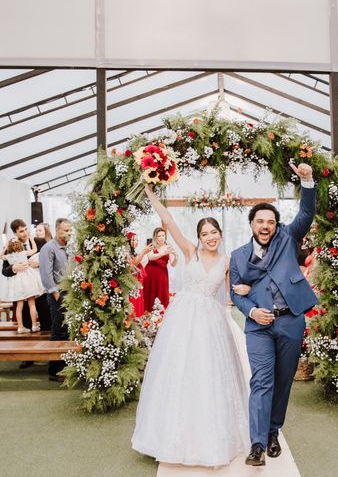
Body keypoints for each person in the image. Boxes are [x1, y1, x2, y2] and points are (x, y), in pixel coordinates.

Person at [132, 185, 249, 467]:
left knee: (209, 371)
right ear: (199, 237)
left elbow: (233, 292)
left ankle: (209, 437)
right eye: (205, 234)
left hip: (211, 320)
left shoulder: (228, 261)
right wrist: (151, 195)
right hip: (183, 317)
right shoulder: (189, 251)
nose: (210, 238)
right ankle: (167, 434)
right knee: (177, 369)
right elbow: (169, 221)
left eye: (214, 232)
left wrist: (245, 290)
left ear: (220, 234)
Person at [230, 163, 317, 467]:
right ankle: (256, 445)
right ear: (251, 224)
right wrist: (251, 309)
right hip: (258, 327)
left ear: (277, 225)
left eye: (270, 221)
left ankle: (272, 431)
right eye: (259, 221)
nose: (265, 226)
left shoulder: (288, 240)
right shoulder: (238, 255)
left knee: (283, 382)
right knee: (262, 381)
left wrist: (306, 180)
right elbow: (233, 293)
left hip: (291, 320)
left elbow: (306, 214)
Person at [1, 219, 51, 332]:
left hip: (40, 289)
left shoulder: (40, 242)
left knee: (47, 324)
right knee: (27, 327)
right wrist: (13, 268)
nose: (25, 233)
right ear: (15, 233)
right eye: (21, 231)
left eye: (26, 229)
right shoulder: (11, 246)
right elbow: (4, 271)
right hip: (22, 292)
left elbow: (51, 261)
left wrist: (40, 264)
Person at [39, 218, 72, 382]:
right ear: (57, 230)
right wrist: (57, 296)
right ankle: (54, 370)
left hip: (70, 294)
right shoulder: (48, 248)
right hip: (57, 295)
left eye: (70, 230)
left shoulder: (69, 248)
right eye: (65, 230)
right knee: (57, 331)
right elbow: (46, 275)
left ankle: (66, 367)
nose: (69, 233)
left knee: (67, 331)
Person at [4, 238, 44, 333]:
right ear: (20, 245)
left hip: (17, 282)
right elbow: (34, 250)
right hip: (27, 280)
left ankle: (20, 327)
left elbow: (1, 256)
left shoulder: (9, 256)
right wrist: (30, 238)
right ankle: (34, 325)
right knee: (32, 304)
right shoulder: (23, 253)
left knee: (19, 306)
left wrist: (5, 247)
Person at [142, 227, 177, 312]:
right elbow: (151, 257)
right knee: (149, 295)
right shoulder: (151, 245)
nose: (162, 237)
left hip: (162, 274)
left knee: (161, 294)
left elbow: (173, 264)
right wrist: (163, 253)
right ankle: (147, 316)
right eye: (159, 236)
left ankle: (160, 317)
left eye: (163, 235)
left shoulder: (168, 247)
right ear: (155, 237)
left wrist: (176, 257)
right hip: (150, 273)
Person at [129, 232, 152, 318]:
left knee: (138, 305)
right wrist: (144, 252)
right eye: (134, 240)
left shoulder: (134, 252)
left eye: (137, 240)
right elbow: (133, 264)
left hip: (138, 283)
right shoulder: (126, 253)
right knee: (134, 306)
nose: (136, 242)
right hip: (132, 284)